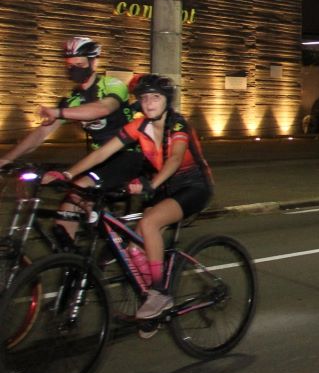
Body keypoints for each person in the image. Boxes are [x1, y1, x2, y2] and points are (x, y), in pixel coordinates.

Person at [45, 75, 213, 320]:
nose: (149, 103)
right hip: (164, 187)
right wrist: (67, 173)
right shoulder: (139, 126)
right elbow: (103, 153)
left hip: (193, 185)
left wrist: (150, 185)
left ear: (166, 100)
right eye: (144, 98)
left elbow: (175, 159)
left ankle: (159, 294)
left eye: (155, 97)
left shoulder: (177, 124)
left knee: (149, 223)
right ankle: (151, 299)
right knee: (134, 246)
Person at [0, 37, 141, 245]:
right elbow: (40, 134)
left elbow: (103, 109)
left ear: (94, 63)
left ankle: (120, 245)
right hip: (97, 158)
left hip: (126, 155)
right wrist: (6, 159)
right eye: (70, 66)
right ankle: (71, 265)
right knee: (64, 214)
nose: (74, 70)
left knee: (80, 188)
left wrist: (59, 112)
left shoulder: (111, 85)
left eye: (80, 65)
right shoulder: (72, 99)